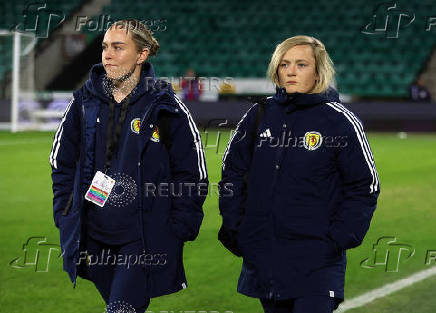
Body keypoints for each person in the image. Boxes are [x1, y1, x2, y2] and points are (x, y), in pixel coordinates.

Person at [49, 19, 208, 313]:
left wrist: (179, 226)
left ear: (142, 54)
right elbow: (61, 162)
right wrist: (65, 212)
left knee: (121, 309)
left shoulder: (166, 106)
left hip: (143, 238)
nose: (107, 54)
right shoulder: (83, 102)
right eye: (105, 47)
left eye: (118, 47)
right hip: (93, 237)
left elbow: (192, 171)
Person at [218, 35, 380, 313]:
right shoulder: (258, 115)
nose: (291, 71)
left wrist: (340, 237)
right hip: (264, 256)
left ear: (318, 71)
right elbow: (231, 174)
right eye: (284, 64)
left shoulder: (339, 120)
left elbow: (364, 186)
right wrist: (236, 227)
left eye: (301, 64)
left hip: (317, 260)